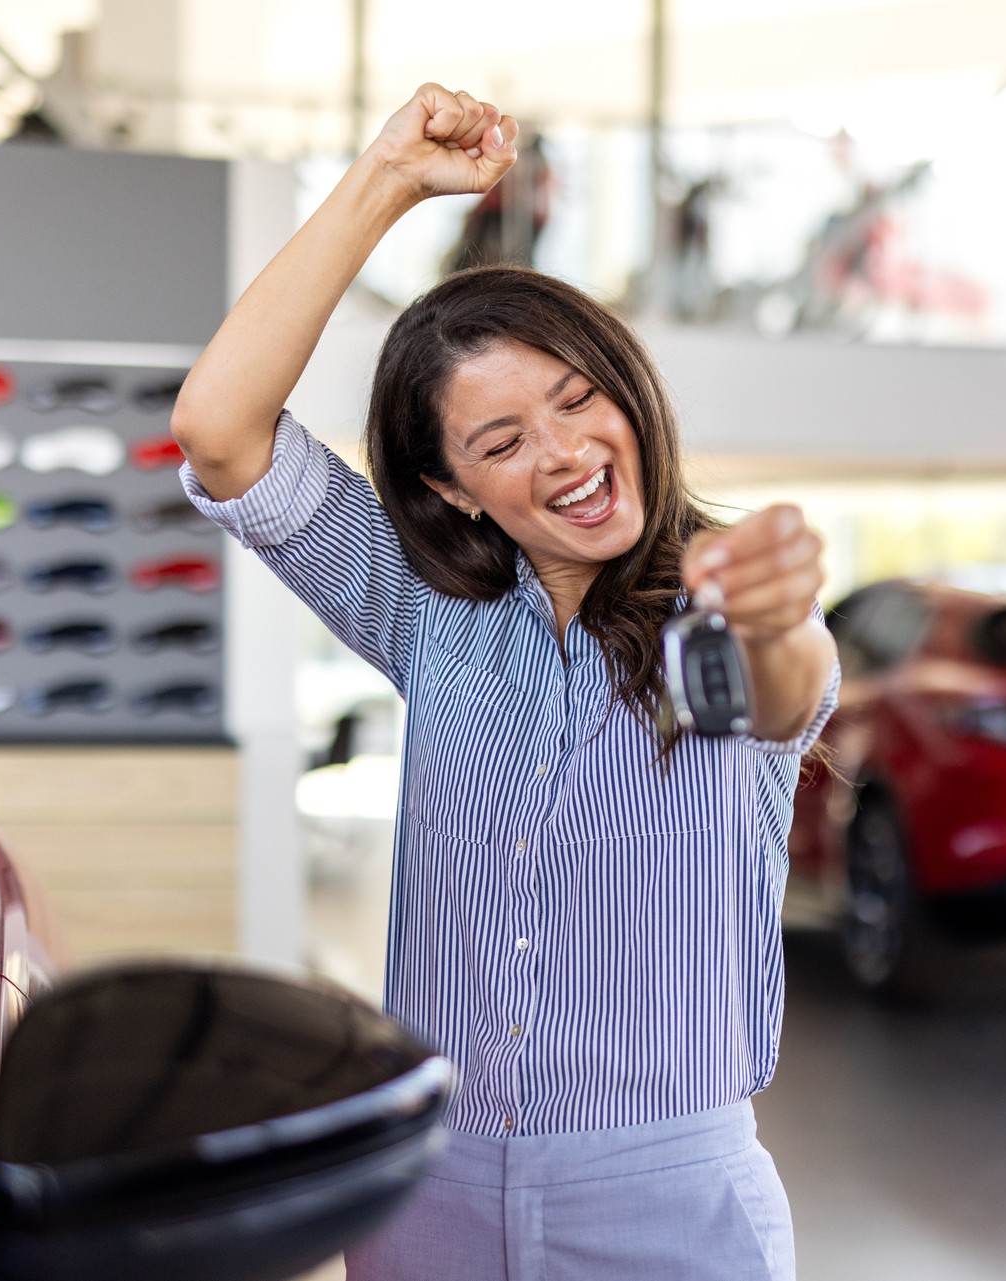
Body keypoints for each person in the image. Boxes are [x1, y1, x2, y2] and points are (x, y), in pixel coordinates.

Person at [170, 84, 838, 1281]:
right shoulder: (430, 613)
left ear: (627, 392)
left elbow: (788, 692)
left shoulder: (725, 610)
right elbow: (221, 427)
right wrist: (385, 178)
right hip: (426, 1188)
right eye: (502, 441)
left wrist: (781, 613)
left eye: (579, 401)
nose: (567, 453)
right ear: (455, 490)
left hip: (669, 1206)